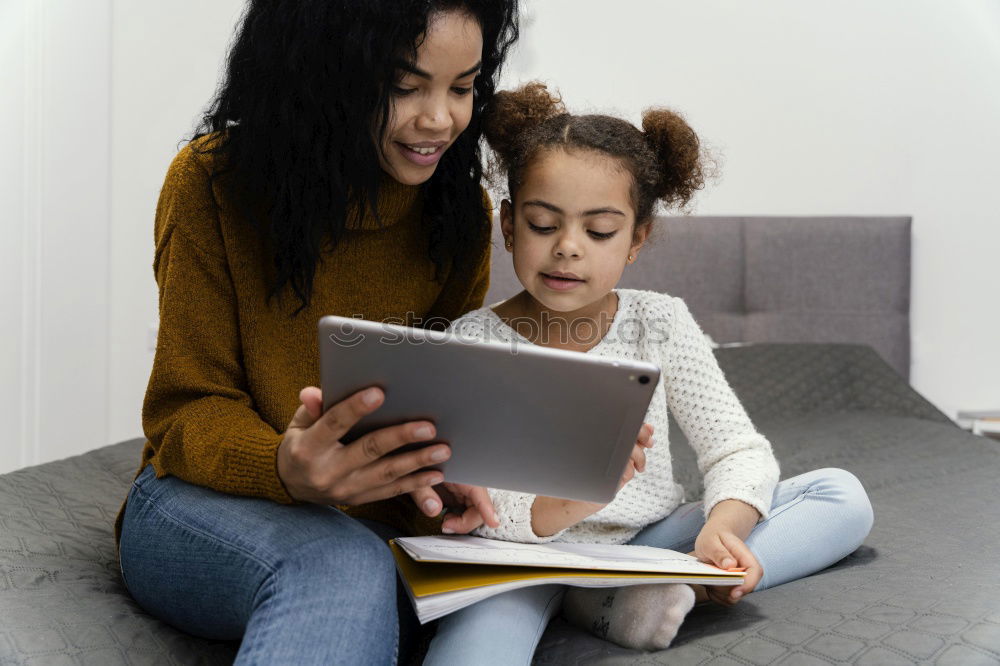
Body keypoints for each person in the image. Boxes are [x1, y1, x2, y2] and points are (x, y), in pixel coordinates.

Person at [116, 2, 519, 664]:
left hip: (363, 516)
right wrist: (286, 467)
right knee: (342, 561)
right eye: (404, 85)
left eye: (463, 86)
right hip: (196, 502)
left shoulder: (460, 213)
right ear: (323, 72)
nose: (440, 118)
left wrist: (444, 473)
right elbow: (185, 411)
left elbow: (427, 407)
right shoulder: (211, 184)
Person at [421, 82, 875, 664]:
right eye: (542, 224)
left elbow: (736, 448)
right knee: (472, 651)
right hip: (521, 557)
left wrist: (725, 526)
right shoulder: (471, 341)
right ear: (508, 225)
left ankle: (655, 585)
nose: (568, 248)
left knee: (841, 495)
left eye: (600, 231)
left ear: (636, 239)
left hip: (646, 542)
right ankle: (608, 600)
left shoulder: (658, 322)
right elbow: (483, 510)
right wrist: (583, 490)